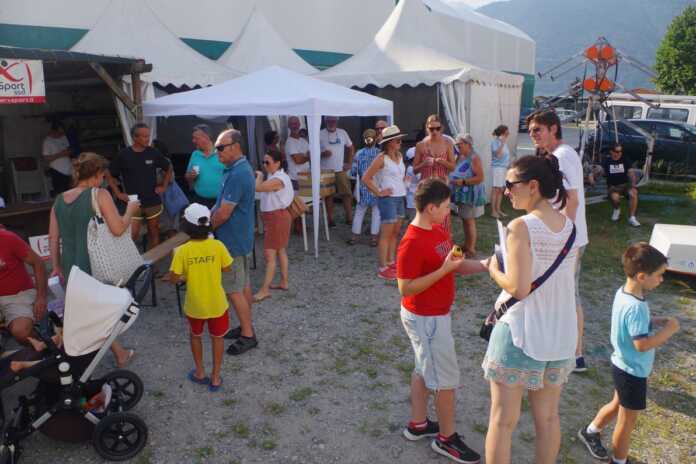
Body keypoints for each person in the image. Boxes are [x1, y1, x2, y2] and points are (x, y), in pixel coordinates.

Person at [483, 155, 578, 464]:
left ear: (533, 186)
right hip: (559, 333)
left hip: (521, 331)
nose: (506, 191)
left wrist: (493, 269)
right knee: (548, 418)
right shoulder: (569, 226)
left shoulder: (520, 226)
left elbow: (519, 288)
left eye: (511, 184)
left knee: (502, 421)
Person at [397, 178, 484, 464]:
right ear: (431, 208)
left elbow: (454, 265)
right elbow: (405, 287)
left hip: (435, 316)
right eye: (446, 206)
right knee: (445, 380)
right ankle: (446, 439)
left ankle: (418, 424)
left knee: (423, 370)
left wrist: (487, 265)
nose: (450, 210)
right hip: (426, 319)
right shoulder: (411, 242)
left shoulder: (438, 230)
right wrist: (444, 270)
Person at [578, 243, 679, 464]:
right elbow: (641, 345)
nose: (662, 279)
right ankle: (619, 460)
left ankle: (590, 431)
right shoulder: (637, 307)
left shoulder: (624, 292)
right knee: (626, 422)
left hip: (622, 364)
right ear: (642, 277)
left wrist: (655, 321)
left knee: (617, 404)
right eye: (659, 275)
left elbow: (631, 325)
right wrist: (668, 331)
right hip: (632, 372)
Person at [49, 152, 138, 367]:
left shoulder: (59, 199)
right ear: (98, 173)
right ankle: (81, 352)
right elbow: (118, 229)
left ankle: (116, 353)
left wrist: (56, 266)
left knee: (88, 311)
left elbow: (53, 237)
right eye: (103, 175)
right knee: (100, 312)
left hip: (70, 264)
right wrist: (131, 210)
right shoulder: (99, 194)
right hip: (96, 262)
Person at [527, 109, 590, 372]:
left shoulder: (562, 156)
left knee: (568, 295)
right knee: (563, 293)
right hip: (568, 238)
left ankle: (576, 354)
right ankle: (569, 350)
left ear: (553, 128)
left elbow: (571, 201)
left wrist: (563, 238)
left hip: (567, 241)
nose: (533, 135)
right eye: (530, 131)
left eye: (537, 130)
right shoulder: (560, 155)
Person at [169, 203, 233, 392]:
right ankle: (215, 377)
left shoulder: (182, 251)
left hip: (195, 304)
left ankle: (199, 372)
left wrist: (185, 276)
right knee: (218, 338)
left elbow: (174, 278)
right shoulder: (218, 245)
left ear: (186, 226)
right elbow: (227, 268)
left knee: (195, 336)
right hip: (217, 303)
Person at [211, 129, 258, 356]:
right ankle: (245, 325)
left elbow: (223, 213)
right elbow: (220, 205)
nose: (217, 151)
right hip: (239, 237)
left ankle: (248, 335)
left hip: (232, 240)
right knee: (243, 284)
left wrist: (204, 229)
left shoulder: (238, 173)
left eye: (220, 147)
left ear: (236, 146)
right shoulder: (236, 169)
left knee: (232, 289)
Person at [107, 123, 173, 250]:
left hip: (152, 200)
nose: (148, 139)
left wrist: (164, 186)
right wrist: (118, 193)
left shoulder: (153, 152)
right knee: (133, 234)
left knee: (154, 231)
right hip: (133, 202)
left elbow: (168, 167)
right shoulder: (124, 154)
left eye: (148, 136)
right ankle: (131, 260)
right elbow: (108, 173)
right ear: (135, 138)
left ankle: (154, 260)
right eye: (144, 136)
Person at [362, 125, 407, 280]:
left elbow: (398, 177)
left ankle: (390, 262)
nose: (400, 142)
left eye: (400, 139)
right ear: (389, 143)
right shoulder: (381, 158)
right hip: (388, 200)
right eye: (397, 140)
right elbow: (366, 178)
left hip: (400, 197)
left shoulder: (399, 156)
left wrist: (405, 182)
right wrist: (379, 192)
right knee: (386, 234)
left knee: (395, 233)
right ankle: (383, 268)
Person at [253, 149, 294, 302]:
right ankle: (284, 281)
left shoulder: (278, 178)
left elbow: (258, 188)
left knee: (270, 255)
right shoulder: (276, 176)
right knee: (280, 250)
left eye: (267, 162)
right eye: (263, 162)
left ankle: (265, 290)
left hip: (277, 218)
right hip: (276, 217)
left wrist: (259, 176)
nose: (264, 165)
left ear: (277, 163)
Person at [0, 226, 47, 344]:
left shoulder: (7, 238)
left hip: (17, 296)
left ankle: (46, 343)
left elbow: (38, 263)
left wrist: (41, 297)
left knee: (22, 332)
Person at [413, 115, 456, 232]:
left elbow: (453, 167)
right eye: (432, 129)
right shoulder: (421, 145)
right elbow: (414, 169)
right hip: (426, 187)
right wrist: (423, 164)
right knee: (426, 218)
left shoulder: (447, 143)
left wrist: (443, 162)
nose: (435, 132)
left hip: (442, 186)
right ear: (427, 128)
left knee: (443, 218)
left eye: (437, 128)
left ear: (441, 128)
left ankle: (443, 242)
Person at [451, 134, 485, 257]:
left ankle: (471, 249)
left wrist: (464, 181)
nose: (457, 146)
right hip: (461, 193)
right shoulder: (460, 156)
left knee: (469, 220)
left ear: (468, 144)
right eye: (456, 144)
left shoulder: (474, 157)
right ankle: (467, 245)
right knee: (465, 219)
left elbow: (480, 177)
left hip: (469, 193)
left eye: (459, 144)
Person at [347, 129, 381, 246]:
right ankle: (374, 238)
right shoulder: (380, 153)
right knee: (376, 212)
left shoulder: (359, 153)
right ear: (375, 139)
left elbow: (353, 172)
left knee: (359, 211)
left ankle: (354, 237)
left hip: (363, 187)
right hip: (376, 186)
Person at [320, 116, 355, 227]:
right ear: (325, 121)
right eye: (329, 121)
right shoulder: (319, 134)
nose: (331, 123)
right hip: (325, 171)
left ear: (337, 121)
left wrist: (349, 163)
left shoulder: (342, 132)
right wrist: (322, 154)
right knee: (328, 196)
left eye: (333, 121)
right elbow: (311, 152)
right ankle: (330, 220)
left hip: (340, 170)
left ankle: (349, 218)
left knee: (347, 194)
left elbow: (351, 147)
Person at [185, 124, 225, 209]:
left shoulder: (222, 153)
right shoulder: (195, 154)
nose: (193, 141)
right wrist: (190, 176)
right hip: (199, 200)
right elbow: (187, 176)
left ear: (206, 137)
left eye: (196, 138)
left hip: (221, 201)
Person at [603, 144, 640, 227]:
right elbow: (601, 171)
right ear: (611, 152)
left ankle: (632, 218)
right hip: (613, 187)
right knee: (615, 198)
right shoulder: (607, 161)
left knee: (634, 193)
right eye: (617, 151)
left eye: (621, 151)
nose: (619, 153)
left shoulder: (625, 160)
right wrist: (592, 175)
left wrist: (633, 186)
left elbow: (631, 173)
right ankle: (617, 210)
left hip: (625, 185)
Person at [42, 119, 73, 195]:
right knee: (61, 193)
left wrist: (68, 152)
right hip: (57, 171)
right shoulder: (47, 142)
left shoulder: (63, 137)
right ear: (54, 131)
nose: (61, 134)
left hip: (69, 170)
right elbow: (46, 158)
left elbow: (69, 149)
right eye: (59, 132)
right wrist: (60, 154)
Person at [489, 125, 511, 219]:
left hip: (503, 168)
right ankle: (493, 211)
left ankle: (498, 210)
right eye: (507, 132)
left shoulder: (504, 142)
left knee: (501, 189)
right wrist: (502, 143)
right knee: (496, 190)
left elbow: (505, 156)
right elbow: (498, 155)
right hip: (497, 168)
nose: (508, 133)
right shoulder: (495, 142)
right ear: (502, 133)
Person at [285, 116, 310, 190]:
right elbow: (298, 160)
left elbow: (310, 154)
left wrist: (303, 156)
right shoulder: (290, 142)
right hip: (296, 179)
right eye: (292, 124)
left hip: (306, 176)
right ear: (289, 126)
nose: (294, 126)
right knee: (300, 197)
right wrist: (308, 157)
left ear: (299, 124)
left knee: (308, 197)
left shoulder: (303, 141)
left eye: (296, 123)